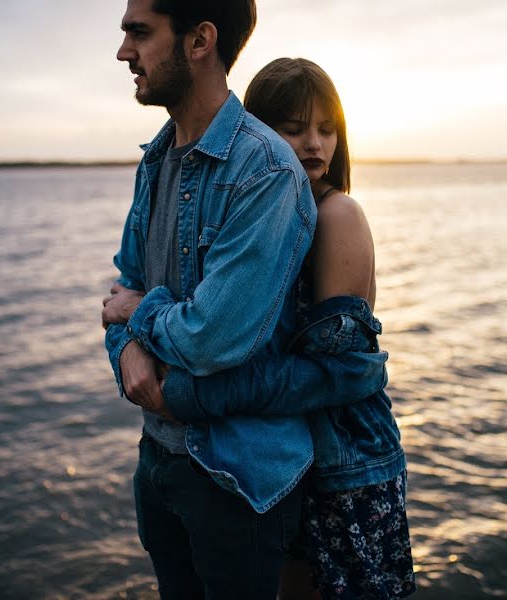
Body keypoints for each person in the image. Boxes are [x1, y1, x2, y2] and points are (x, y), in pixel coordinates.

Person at [133, 58, 417, 599]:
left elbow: (340, 373)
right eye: (294, 129)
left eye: (326, 128)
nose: (314, 144)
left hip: (344, 461)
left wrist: (186, 390)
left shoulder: (338, 216)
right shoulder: (268, 209)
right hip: (286, 450)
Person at [100, 2, 352, 599]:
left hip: (235, 483)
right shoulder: (157, 158)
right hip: (157, 461)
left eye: (139, 32)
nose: (123, 52)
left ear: (199, 41)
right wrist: (127, 353)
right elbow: (119, 286)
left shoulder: (265, 170)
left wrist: (137, 317)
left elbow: (213, 338)